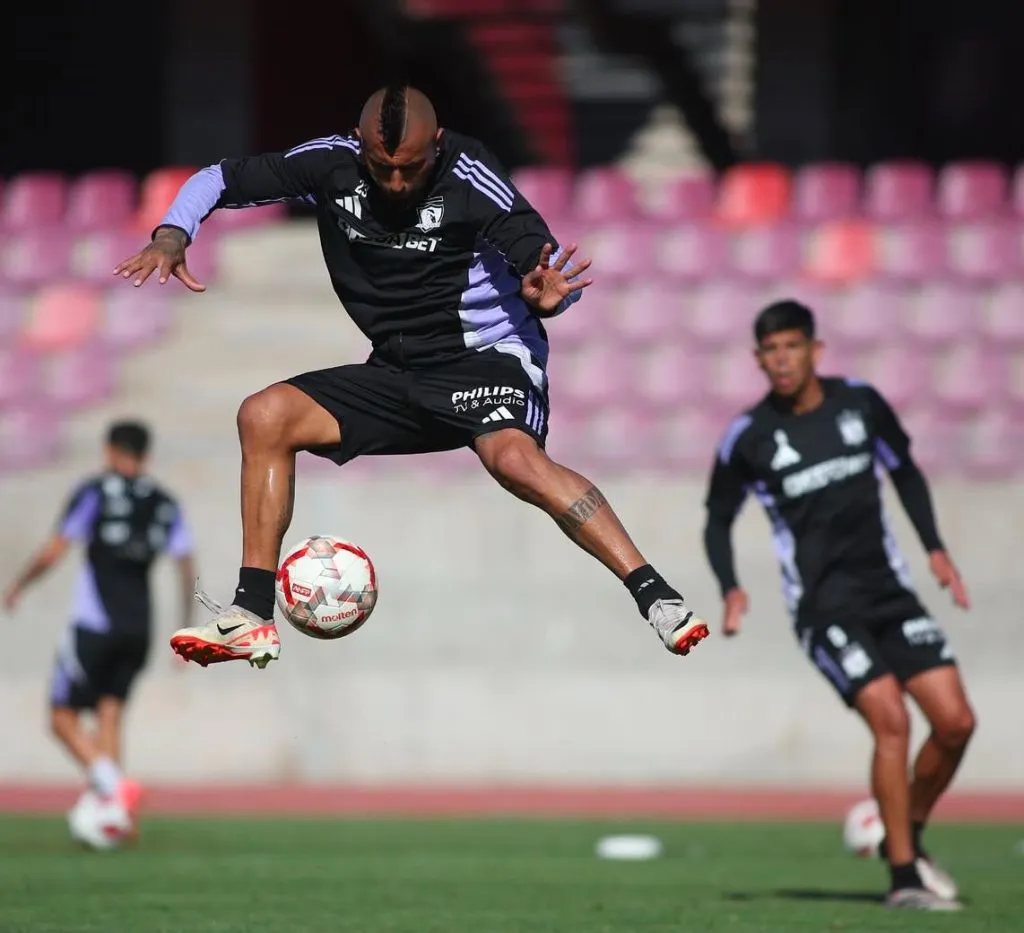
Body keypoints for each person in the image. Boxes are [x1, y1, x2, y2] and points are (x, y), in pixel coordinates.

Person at [112, 84, 708, 668]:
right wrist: (172, 233)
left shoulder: (471, 173)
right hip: (398, 371)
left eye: (411, 169)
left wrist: (551, 297)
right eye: (382, 169)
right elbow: (215, 178)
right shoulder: (330, 164)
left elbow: (538, 259)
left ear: (438, 145)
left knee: (514, 460)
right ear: (359, 147)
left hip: (487, 358)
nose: (396, 182)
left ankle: (657, 597)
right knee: (263, 415)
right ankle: (252, 614)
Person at [702, 301, 975, 912]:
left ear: (815, 351)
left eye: (791, 347)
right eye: (770, 351)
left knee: (956, 723)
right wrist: (731, 586)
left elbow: (905, 472)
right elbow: (718, 518)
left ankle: (903, 829)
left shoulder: (861, 404)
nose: (781, 361)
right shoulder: (748, 437)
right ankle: (904, 879)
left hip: (889, 592)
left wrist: (935, 548)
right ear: (757, 360)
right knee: (892, 722)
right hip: (824, 609)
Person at [3, 420, 196, 832]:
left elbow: (57, 549)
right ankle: (115, 816)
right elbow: (185, 564)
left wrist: (19, 584)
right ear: (146, 456)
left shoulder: (94, 492)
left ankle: (114, 785)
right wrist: (186, 628)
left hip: (94, 622)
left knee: (60, 717)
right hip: (139, 626)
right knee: (110, 714)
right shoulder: (165, 502)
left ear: (110, 450)